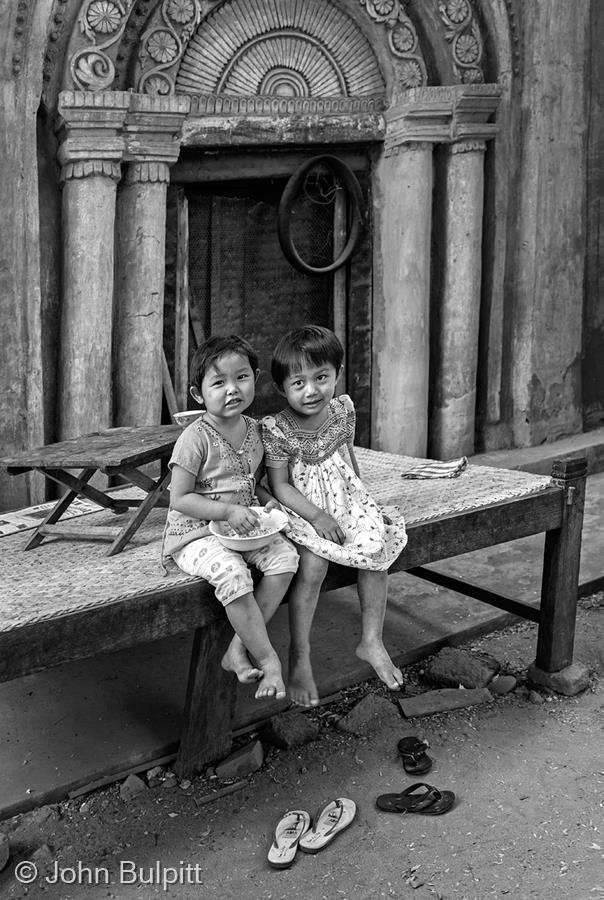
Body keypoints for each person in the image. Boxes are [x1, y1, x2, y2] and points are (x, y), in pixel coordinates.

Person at [261, 325, 407, 707]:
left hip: (345, 502)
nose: (312, 390)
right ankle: (300, 653)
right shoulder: (277, 429)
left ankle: (371, 640)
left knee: (376, 551)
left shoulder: (342, 410)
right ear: (282, 388)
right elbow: (279, 486)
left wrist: (361, 501)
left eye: (321, 377)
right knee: (312, 565)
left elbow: (347, 458)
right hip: (302, 508)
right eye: (299, 383)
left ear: (336, 374)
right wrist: (319, 516)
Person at [163, 334, 299, 702]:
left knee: (286, 559)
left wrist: (268, 504)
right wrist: (226, 511)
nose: (232, 389)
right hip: (194, 534)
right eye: (218, 382)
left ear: (255, 378)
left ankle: (237, 647)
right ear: (198, 394)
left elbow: (253, 485)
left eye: (241, 377)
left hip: (241, 528)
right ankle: (268, 658)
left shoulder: (256, 431)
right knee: (233, 573)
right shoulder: (195, 438)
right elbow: (178, 499)